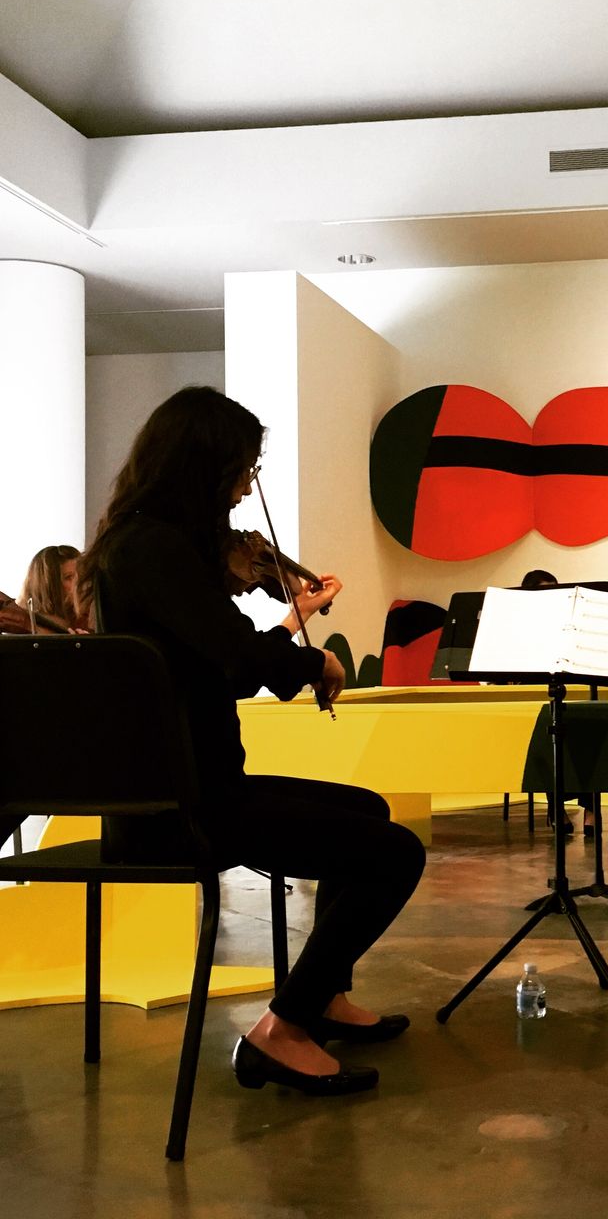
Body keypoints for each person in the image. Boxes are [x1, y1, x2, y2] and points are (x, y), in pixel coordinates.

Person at [76, 386, 425, 1096]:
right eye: (242, 468)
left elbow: (220, 668)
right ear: (203, 464)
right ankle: (283, 1030)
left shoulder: (145, 544)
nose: (244, 487)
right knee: (396, 854)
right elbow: (239, 658)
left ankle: (320, 995)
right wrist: (311, 656)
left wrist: (278, 624)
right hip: (183, 809)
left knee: (368, 813)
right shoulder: (155, 550)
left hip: (190, 789)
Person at [19, 544, 85, 630]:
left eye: (81, 574)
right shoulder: (27, 625)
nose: (79, 583)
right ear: (48, 585)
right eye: (69, 577)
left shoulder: (86, 618)